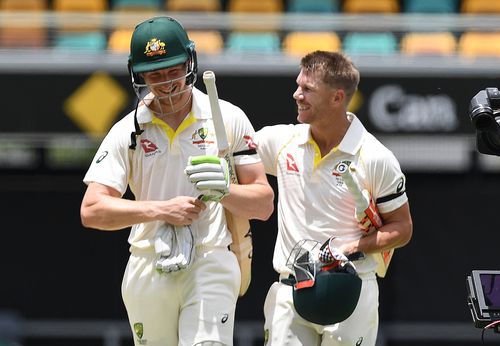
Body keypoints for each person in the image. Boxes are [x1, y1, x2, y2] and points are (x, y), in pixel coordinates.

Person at [80, 16, 274, 346]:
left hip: (210, 258)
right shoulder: (128, 130)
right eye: (156, 75)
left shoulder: (227, 117)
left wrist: (225, 191)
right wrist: (160, 210)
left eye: (174, 70)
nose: (168, 83)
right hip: (148, 262)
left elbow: (264, 204)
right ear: (138, 75)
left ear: (190, 62)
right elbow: (92, 210)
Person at [255, 51, 413, 345]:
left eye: (307, 90)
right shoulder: (282, 141)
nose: (296, 95)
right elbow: (235, 150)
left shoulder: (376, 158)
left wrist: (353, 246)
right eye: (298, 85)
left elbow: (402, 229)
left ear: (337, 98)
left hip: (350, 292)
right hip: (291, 290)